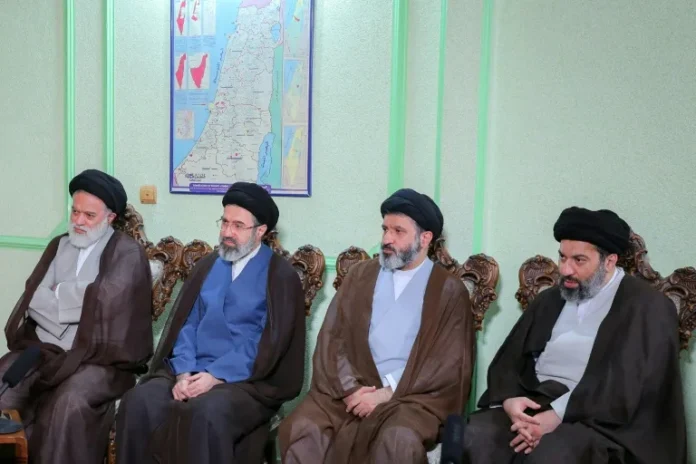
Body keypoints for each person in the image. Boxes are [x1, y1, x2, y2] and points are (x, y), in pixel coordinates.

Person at [463, 206, 687, 463]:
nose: (566, 270)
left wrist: (556, 416)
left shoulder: (648, 307)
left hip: (603, 422)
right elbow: (509, 361)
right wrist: (509, 401)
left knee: (550, 457)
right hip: (539, 400)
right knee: (468, 437)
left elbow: (629, 388)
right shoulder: (550, 299)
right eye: (562, 258)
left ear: (609, 261)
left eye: (578, 260)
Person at [278, 188, 475, 463]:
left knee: (397, 440)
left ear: (425, 238)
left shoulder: (449, 291)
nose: (386, 239)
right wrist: (350, 389)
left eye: (398, 231)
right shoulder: (360, 275)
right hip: (348, 392)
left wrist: (387, 393)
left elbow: (449, 365)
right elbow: (333, 339)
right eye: (385, 229)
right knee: (303, 427)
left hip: (411, 399)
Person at [115, 182, 306, 464]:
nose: (227, 232)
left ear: (260, 231)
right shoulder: (208, 265)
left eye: (238, 226)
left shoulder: (280, 276)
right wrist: (183, 373)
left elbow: (266, 345)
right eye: (225, 222)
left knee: (206, 412)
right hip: (191, 369)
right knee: (138, 402)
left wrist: (216, 376)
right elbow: (187, 325)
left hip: (247, 381)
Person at [0, 169, 154, 463]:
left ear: (110, 218)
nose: (79, 221)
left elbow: (108, 307)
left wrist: (59, 293)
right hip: (45, 350)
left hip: (100, 360)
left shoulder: (127, 254)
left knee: (67, 404)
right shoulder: (60, 245)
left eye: (89, 215)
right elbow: (34, 296)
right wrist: (79, 302)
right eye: (75, 211)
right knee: (4, 387)